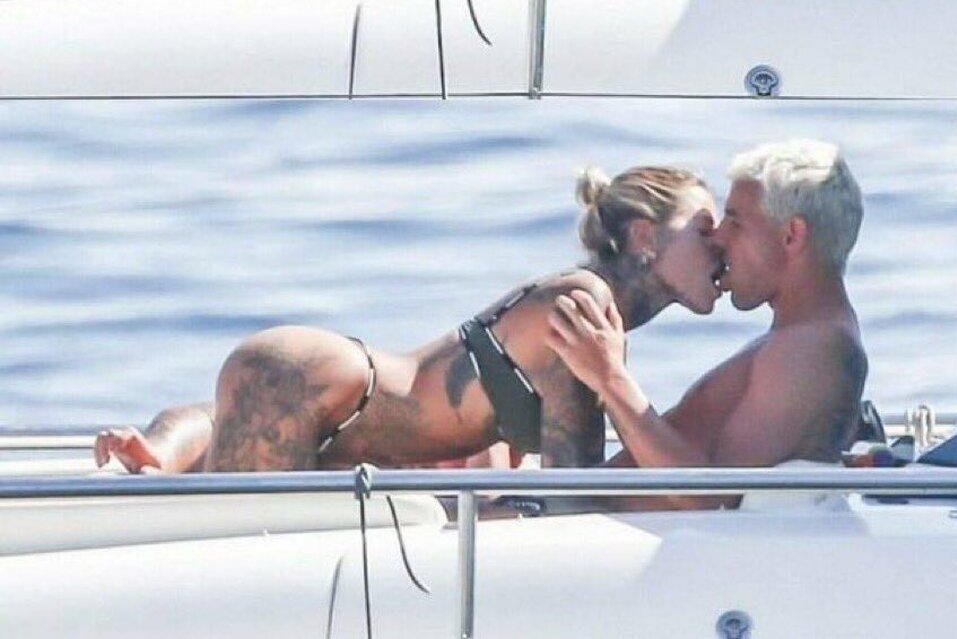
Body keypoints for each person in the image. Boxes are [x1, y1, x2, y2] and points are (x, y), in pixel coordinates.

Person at [95, 165, 725, 474]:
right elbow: (571, 489)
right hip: (331, 383)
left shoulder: (578, 299)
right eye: (703, 229)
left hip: (331, 390)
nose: (720, 246)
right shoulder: (584, 309)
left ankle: (159, 452)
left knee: (228, 482)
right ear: (645, 236)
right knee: (237, 550)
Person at [548, 140, 866, 507]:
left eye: (735, 221)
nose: (718, 237)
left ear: (791, 235)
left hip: (626, 535)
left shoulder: (810, 352)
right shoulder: (801, 339)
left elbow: (710, 499)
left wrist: (609, 377)